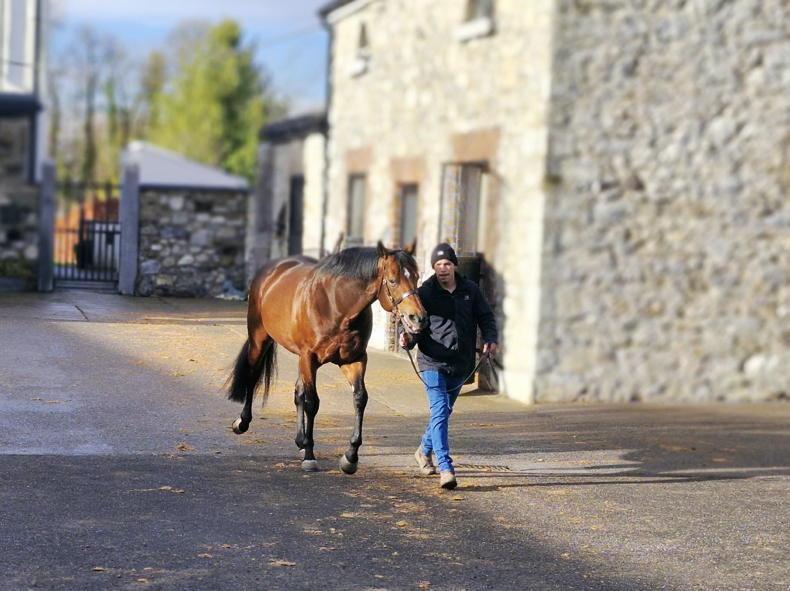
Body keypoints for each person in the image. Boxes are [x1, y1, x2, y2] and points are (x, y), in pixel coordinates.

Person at [399, 242, 498, 490]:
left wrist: (490, 338)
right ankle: (445, 467)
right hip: (432, 362)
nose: (442, 268)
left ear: (454, 265)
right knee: (440, 410)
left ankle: (423, 450)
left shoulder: (470, 290)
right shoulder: (426, 292)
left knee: (442, 413)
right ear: (434, 268)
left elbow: (486, 317)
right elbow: (414, 322)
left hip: (461, 363)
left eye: (446, 263)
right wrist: (407, 338)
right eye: (438, 264)